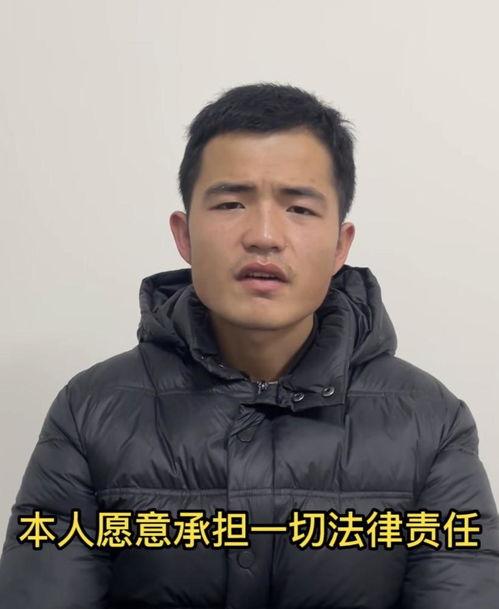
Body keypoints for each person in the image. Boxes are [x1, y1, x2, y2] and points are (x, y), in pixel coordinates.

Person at [0, 82, 498, 609]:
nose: (264, 235)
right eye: (231, 203)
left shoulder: (432, 424)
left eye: (299, 208)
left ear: (340, 245)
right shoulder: (90, 411)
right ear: (184, 235)